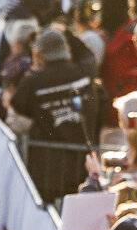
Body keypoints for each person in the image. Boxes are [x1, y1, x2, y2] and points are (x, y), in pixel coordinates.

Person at [8, 28, 103, 205]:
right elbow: (87, 53)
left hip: (45, 171)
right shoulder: (84, 73)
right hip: (82, 167)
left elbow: (14, 118)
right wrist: (65, 31)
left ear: (39, 54)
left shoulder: (33, 82)